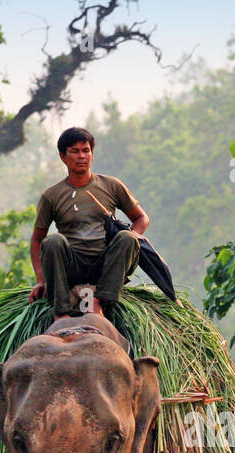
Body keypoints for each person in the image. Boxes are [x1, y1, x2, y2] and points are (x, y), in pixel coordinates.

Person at [29, 127, 149, 317]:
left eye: (86, 150)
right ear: (63, 156)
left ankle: (98, 300)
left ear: (92, 155)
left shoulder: (111, 185)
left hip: (106, 265)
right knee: (52, 241)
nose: (82, 156)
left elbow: (141, 218)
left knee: (128, 238)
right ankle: (60, 311)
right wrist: (40, 280)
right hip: (72, 266)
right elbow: (37, 240)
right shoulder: (51, 195)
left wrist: (131, 237)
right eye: (75, 151)